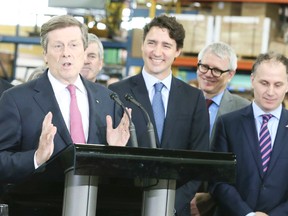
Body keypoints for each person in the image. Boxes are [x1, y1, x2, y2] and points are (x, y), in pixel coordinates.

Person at [0, 14, 130, 214]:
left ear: (85, 51)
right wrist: (36, 157)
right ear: (45, 54)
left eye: (73, 45)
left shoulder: (108, 100)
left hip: (96, 207)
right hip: (36, 208)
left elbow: (123, 175)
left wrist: (117, 154)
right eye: (58, 46)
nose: (66, 53)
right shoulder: (16, 100)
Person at [109, 14, 209, 216]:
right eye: (151, 43)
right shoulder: (116, 93)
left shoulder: (194, 98)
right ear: (142, 46)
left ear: (177, 51)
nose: (157, 52)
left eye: (166, 45)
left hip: (175, 208)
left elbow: (200, 161)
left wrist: (171, 205)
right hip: (127, 206)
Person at [210, 52, 288, 215]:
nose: (270, 91)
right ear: (252, 80)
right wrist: (248, 214)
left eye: (278, 84)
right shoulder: (228, 124)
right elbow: (218, 180)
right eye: (264, 83)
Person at [191, 42, 251, 216]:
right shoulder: (178, 102)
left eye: (217, 70)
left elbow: (245, 166)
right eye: (204, 67)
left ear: (230, 74)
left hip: (221, 206)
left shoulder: (244, 111)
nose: (208, 74)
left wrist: (212, 197)